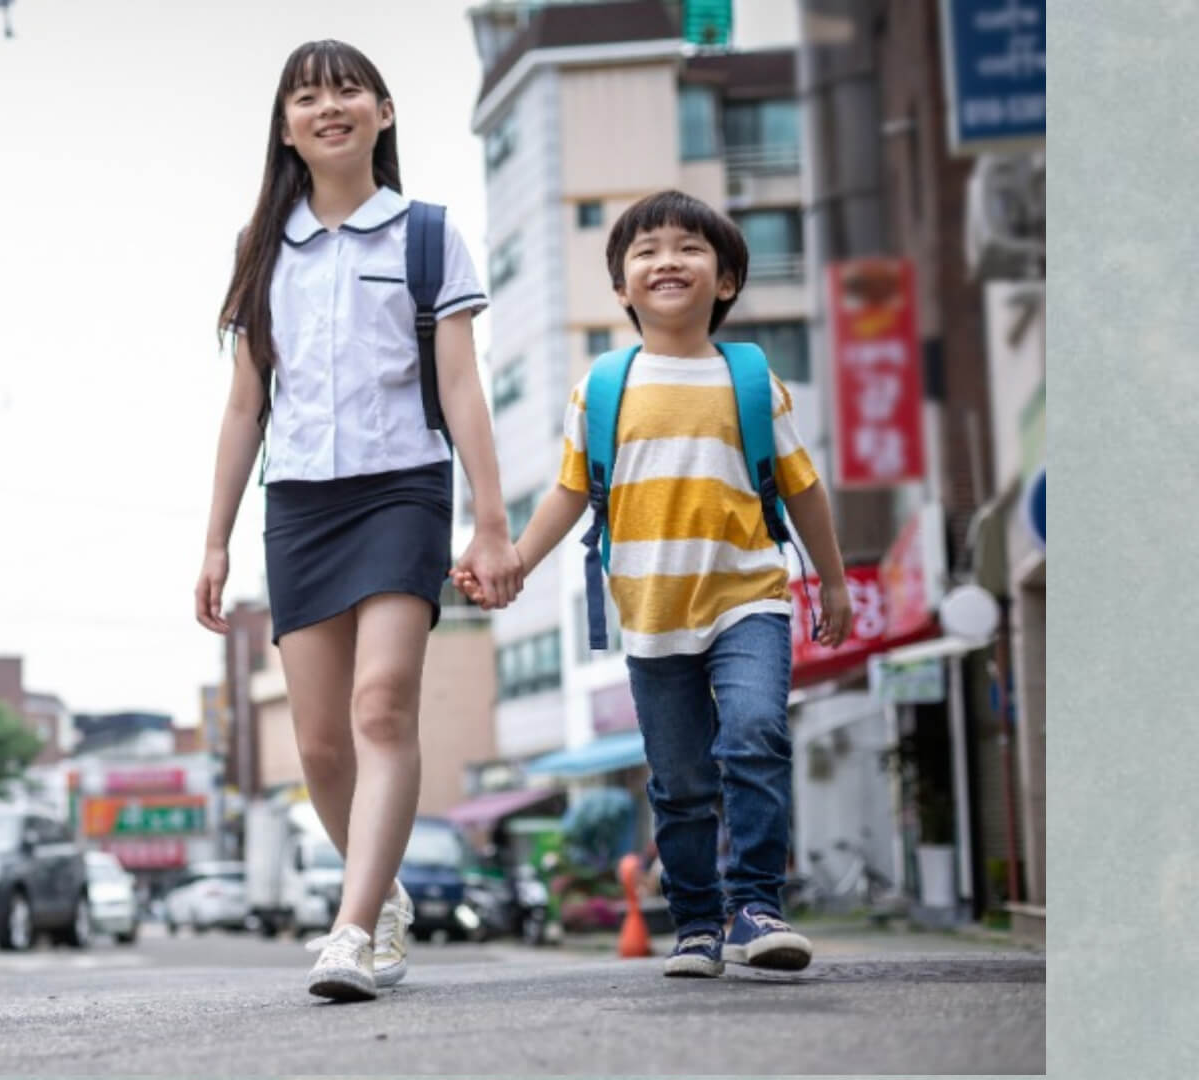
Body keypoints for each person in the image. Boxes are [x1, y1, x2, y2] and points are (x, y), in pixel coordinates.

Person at [195, 39, 522, 1002]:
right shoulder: (262, 253)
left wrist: (491, 523)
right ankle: (377, 899)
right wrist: (214, 541)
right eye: (305, 96)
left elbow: (461, 385)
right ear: (286, 130)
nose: (327, 106)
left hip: (401, 490)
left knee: (382, 707)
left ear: (383, 113)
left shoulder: (426, 236)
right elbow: (245, 408)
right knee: (321, 746)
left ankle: (347, 928)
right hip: (298, 503)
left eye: (346, 90)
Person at [453, 189, 853, 977]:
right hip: (651, 613)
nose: (667, 260)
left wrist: (830, 585)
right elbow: (569, 494)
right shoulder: (601, 388)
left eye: (689, 247)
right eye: (646, 251)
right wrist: (514, 567)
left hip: (750, 596)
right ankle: (698, 924)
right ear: (621, 287)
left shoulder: (751, 378)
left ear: (727, 280)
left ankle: (756, 907)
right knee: (678, 780)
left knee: (755, 737)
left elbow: (803, 486)